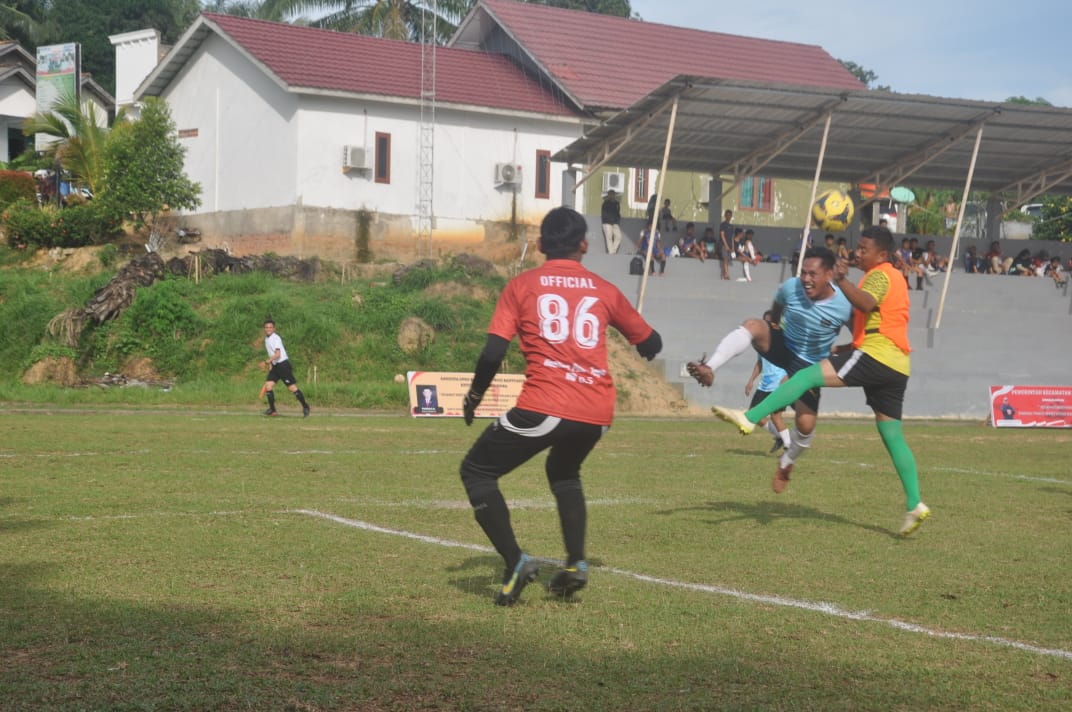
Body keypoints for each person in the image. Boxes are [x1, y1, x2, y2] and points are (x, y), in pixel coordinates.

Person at [458, 206, 662, 606]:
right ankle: (574, 564)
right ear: (585, 244)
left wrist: (475, 396)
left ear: (539, 245)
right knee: (564, 472)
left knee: (477, 471)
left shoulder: (522, 286)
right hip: (597, 412)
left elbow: (492, 353)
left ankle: (516, 561)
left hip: (546, 404)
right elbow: (651, 345)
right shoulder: (604, 289)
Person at [711, 226, 931, 536]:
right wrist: (845, 347)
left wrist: (841, 280)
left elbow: (867, 304)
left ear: (882, 254)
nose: (858, 253)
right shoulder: (891, 277)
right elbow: (881, 317)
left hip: (878, 355)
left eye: (864, 249)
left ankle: (749, 418)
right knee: (892, 435)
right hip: (897, 364)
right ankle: (915, 504)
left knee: (806, 375)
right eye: (859, 247)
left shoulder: (882, 273)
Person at [686, 247, 851, 493]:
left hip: (810, 366)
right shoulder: (791, 287)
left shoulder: (844, 306)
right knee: (753, 325)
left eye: (813, 274)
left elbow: (862, 337)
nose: (806, 279)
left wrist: (841, 349)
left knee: (805, 427)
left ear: (828, 274)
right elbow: (777, 306)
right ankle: (710, 368)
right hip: (785, 346)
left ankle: (787, 462)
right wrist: (773, 323)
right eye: (803, 273)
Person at [744, 311, 792, 454]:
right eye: (765, 322)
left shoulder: (784, 340)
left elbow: (794, 360)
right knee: (754, 414)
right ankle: (780, 437)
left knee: (775, 416)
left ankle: (789, 446)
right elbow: (760, 362)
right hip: (764, 385)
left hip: (779, 383)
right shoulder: (761, 343)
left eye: (770, 322)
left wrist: (788, 376)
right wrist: (751, 380)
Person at [261, 319, 311, 418]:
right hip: (276, 366)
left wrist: (267, 361)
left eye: (270, 327)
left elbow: (278, 354)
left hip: (283, 365)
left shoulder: (275, 338)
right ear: (264, 329)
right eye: (266, 327)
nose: (268, 329)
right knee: (268, 385)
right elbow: (272, 353)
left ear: (274, 328)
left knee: (291, 388)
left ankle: (306, 407)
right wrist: (271, 364)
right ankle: (272, 410)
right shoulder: (267, 338)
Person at [600, 189, 623, 255]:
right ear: (608, 195)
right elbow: (604, 214)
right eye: (610, 194)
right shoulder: (605, 203)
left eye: (613, 194)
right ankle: (611, 252)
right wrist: (608, 220)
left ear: (614, 195)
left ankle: (613, 250)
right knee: (609, 237)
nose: (612, 196)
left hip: (615, 223)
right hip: (607, 223)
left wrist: (617, 219)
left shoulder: (617, 203)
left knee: (619, 237)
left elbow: (618, 212)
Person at [718, 209, 734, 280]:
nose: (728, 216)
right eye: (727, 215)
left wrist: (733, 247)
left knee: (727, 260)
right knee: (725, 259)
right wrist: (726, 245)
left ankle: (724, 274)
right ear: (725, 216)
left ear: (731, 216)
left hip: (730, 245)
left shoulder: (731, 226)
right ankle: (726, 274)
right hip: (724, 245)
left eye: (729, 215)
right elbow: (722, 235)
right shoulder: (723, 225)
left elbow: (732, 237)